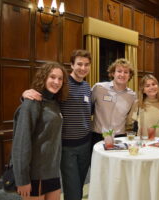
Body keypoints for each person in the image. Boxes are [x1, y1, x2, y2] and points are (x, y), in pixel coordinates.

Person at [22, 50, 92, 200]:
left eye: (86, 65)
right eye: (79, 64)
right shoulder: (63, 85)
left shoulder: (87, 86)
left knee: (79, 185)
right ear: (72, 65)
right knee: (72, 188)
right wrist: (25, 95)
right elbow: (42, 98)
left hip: (85, 144)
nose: (83, 68)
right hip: (66, 146)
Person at [12, 62, 68, 200]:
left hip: (53, 172)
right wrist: (22, 179)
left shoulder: (54, 102)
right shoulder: (32, 102)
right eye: (52, 77)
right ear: (43, 77)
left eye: (60, 78)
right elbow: (20, 143)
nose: (56, 82)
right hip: (35, 175)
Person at [91, 58, 136, 144]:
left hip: (119, 137)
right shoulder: (99, 88)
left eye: (126, 72)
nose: (122, 74)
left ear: (130, 75)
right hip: (97, 136)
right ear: (113, 73)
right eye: (119, 71)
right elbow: (89, 109)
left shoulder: (132, 96)